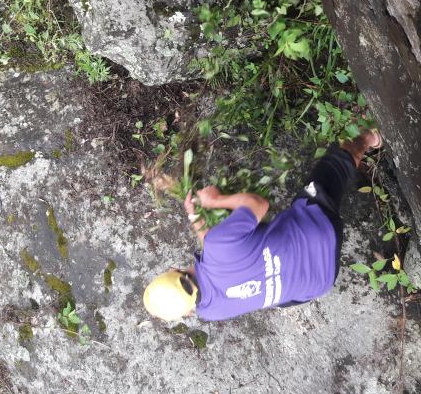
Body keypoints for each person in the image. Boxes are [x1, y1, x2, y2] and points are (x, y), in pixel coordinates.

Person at [143, 129, 382, 322]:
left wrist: (196, 218)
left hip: (319, 281)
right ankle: (369, 138)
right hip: (318, 230)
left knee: (282, 298)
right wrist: (216, 200)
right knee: (335, 165)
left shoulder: (210, 313)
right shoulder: (217, 246)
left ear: (188, 312)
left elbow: (220, 257)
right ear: (174, 269)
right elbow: (258, 204)